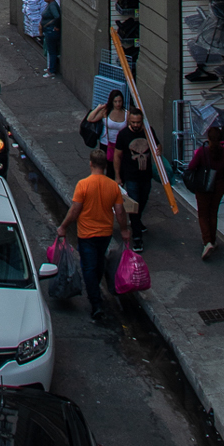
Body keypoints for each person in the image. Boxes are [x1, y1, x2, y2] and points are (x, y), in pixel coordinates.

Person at [56, 148, 132, 322]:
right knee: (97, 264)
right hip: (105, 233)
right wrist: (124, 230)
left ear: (90, 164)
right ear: (105, 166)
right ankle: (95, 292)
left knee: (89, 268)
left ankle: (96, 303)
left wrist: (64, 226)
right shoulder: (113, 186)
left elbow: (75, 210)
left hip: (86, 234)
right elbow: (120, 211)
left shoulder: (83, 185)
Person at [113, 105, 159, 248]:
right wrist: (118, 176)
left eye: (138, 122)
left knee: (143, 200)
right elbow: (117, 155)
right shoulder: (123, 135)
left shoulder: (148, 132)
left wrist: (158, 150)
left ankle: (136, 222)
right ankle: (137, 237)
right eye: (133, 122)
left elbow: (157, 146)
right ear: (129, 121)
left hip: (145, 175)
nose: (136, 125)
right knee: (134, 205)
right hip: (131, 176)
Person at [188, 113, 224, 260]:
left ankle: (207, 241)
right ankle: (213, 240)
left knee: (203, 214)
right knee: (213, 213)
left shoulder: (203, 152)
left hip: (203, 186)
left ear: (208, 138)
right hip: (219, 185)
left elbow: (191, 166)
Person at [40, 0, 62, 79]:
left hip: (51, 31)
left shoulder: (52, 5)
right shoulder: (50, 4)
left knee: (52, 51)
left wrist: (55, 26)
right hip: (49, 30)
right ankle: (50, 68)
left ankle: (51, 70)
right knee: (50, 50)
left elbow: (57, 16)